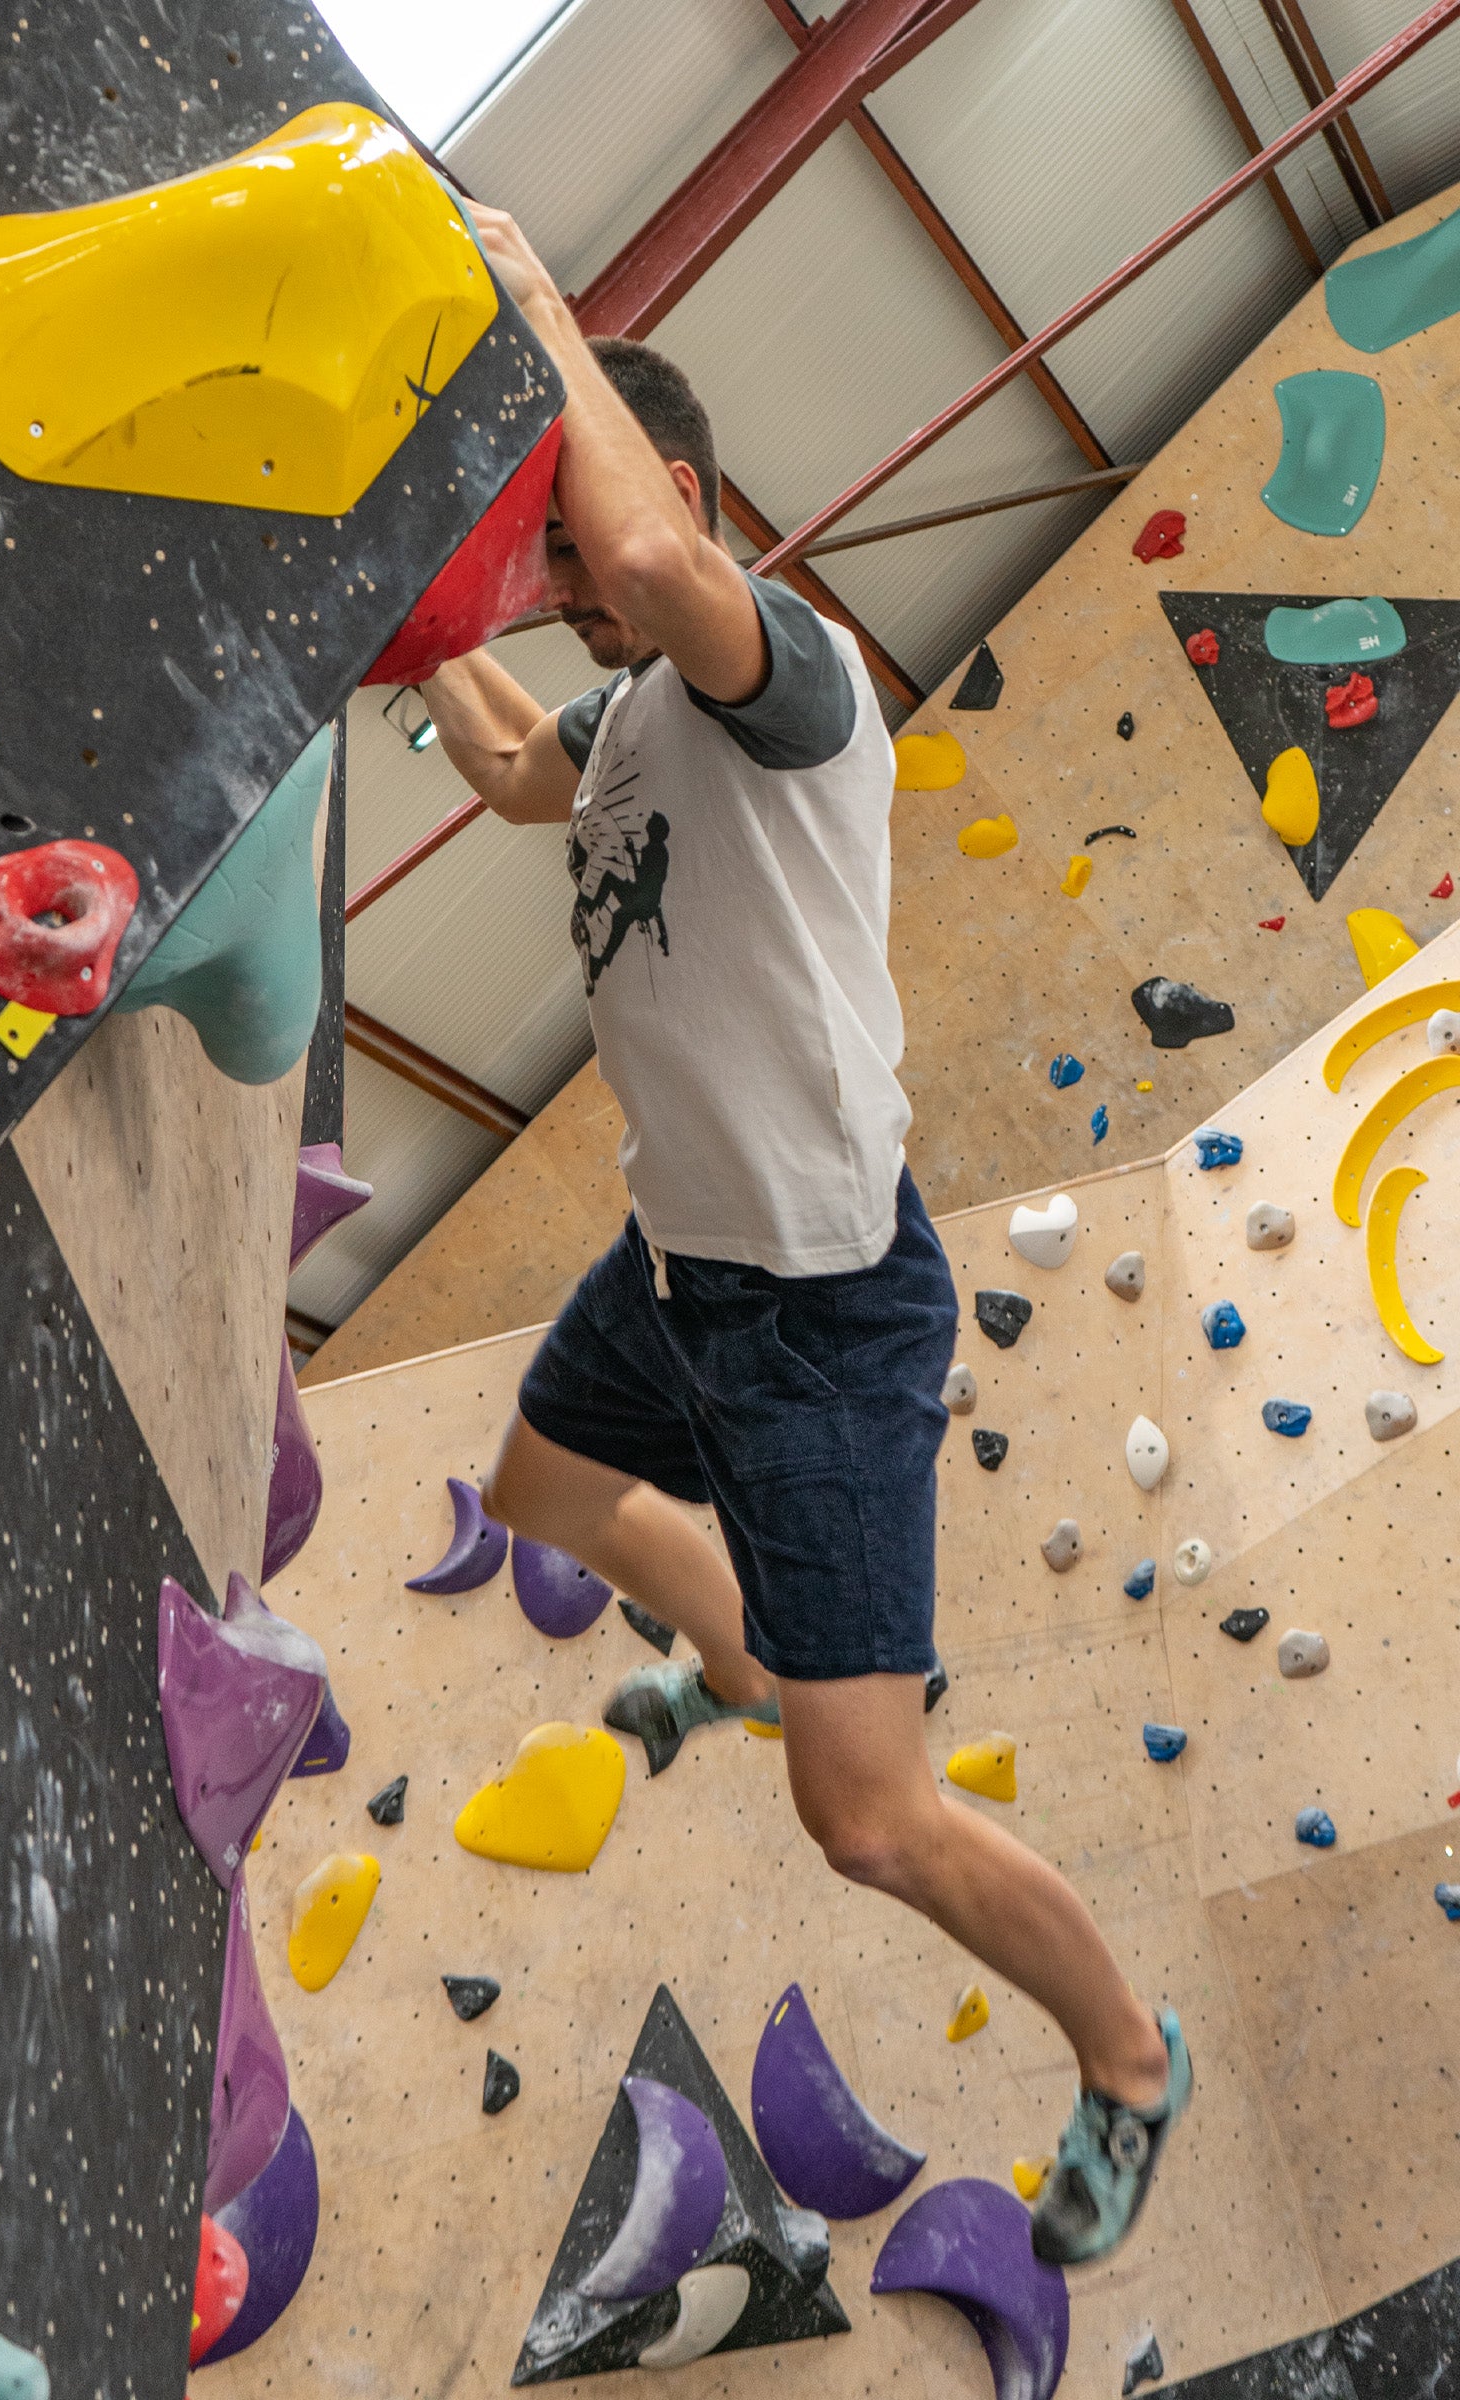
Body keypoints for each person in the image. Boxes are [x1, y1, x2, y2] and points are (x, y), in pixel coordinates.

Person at [418, 203, 1191, 2267]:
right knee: (543, 1490)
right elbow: (500, 758)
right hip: (674, 1266)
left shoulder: (784, 676)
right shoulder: (619, 732)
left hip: (820, 1316)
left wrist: (534, 306)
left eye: (569, 551)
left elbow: (664, 569)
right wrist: (421, 624)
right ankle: (745, 1658)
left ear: (661, 495)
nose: (566, 591)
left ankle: (1126, 2055)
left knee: (865, 1823)